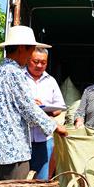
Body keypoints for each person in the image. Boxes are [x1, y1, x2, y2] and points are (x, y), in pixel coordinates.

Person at [0, 26, 67, 181]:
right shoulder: (15, 72)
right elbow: (28, 109)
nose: (30, 57)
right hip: (12, 149)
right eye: (31, 51)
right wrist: (55, 127)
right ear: (22, 48)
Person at [26, 47, 65, 180]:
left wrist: (50, 111)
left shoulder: (51, 81)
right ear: (28, 60)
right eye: (36, 61)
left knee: (41, 179)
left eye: (43, 62)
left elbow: (60, 106)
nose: (39, 65)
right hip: (23, 138)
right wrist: (30, 105)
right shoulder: (19, 78)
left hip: (44, 138)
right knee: (21, 180)